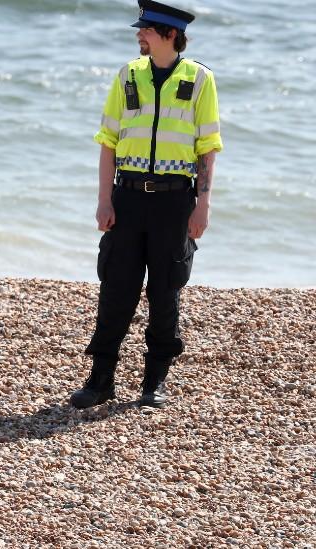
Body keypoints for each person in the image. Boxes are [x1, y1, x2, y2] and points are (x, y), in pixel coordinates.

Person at [71, 1, 223, 409]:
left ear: (170, 35)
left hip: (175, 203)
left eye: (148, 30)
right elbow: (108, 142)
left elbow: (207, 149)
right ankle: (101, 379)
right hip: (128, 198)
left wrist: (202, 205)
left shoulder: (200, 79)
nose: (139, 35)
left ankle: (154, 382)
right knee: (116, 289)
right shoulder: (128, 76)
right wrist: (104, 199)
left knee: (165, 291)